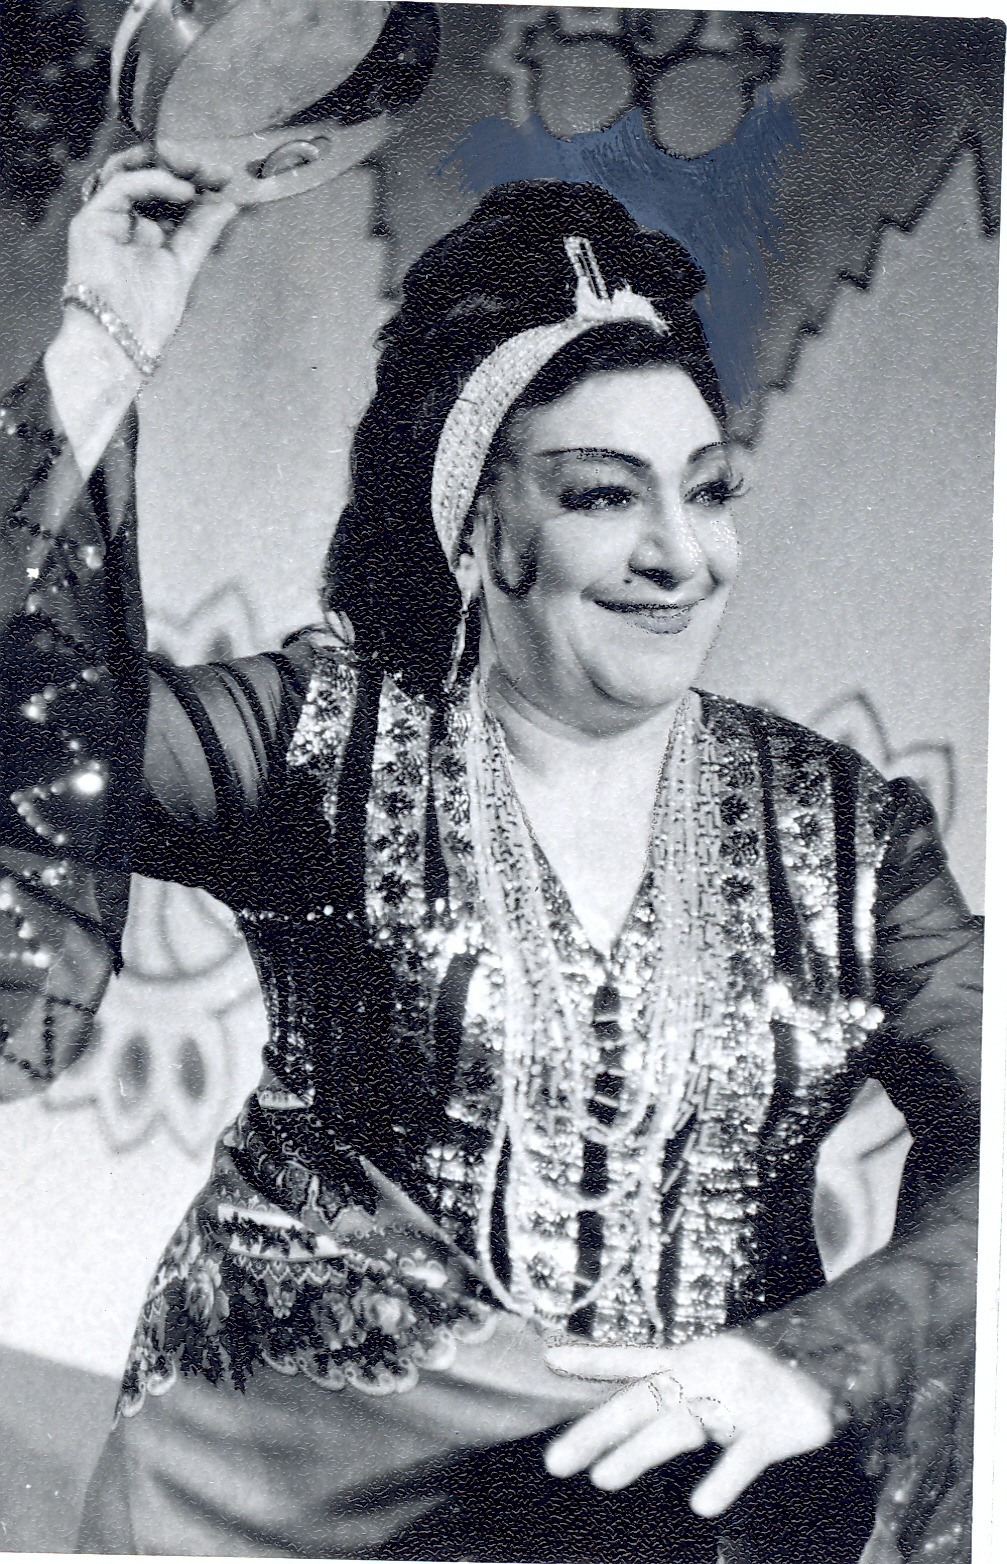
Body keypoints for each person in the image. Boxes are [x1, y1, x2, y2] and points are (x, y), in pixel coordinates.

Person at [0, 146, 981, 1563]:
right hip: (271, 1512)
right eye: (602, 496)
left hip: (684, 1523)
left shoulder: (851, 838)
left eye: (708, 491)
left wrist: (822, 1360)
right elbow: (34, 729)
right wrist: (102, 348)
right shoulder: (324, 746)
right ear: (472, 533)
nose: (683, 554)